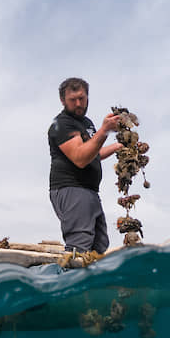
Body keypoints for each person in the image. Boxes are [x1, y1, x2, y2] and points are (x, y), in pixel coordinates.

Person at [48, 77, 122, 254]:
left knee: (99, 246)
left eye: (82, 98)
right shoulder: (61, 124)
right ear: (62, 100)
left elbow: (93, 154)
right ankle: (68, 280)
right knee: (79, 246)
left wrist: (118, 146)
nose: (79, 103)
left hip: (89, 192)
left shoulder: (86, 123)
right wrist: (104, 130)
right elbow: (80, 158)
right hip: (71, 188)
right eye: (73, 100)